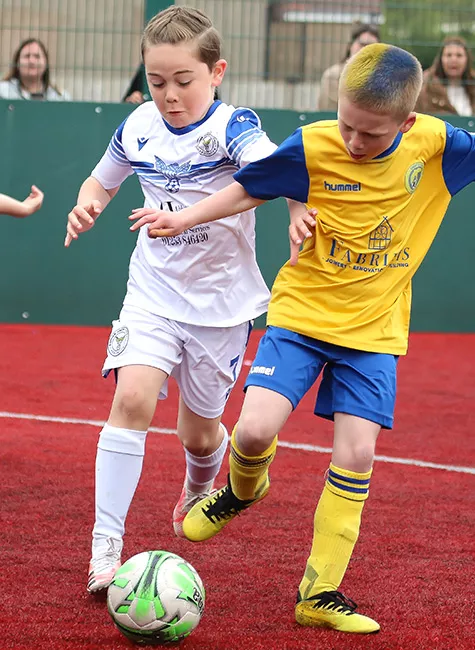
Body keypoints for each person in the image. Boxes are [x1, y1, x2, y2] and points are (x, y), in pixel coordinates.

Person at [129, 42, 475, 635]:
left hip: (375, 330)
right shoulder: (315, 145)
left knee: (356, 454)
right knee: (257, 429)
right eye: (345, 124)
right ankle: (243, 489)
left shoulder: (441, 147)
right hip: (303, 313)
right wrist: (181, 218)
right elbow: (249, 188)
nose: (352, 142)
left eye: (369, 134)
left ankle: (320, 593)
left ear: (407, 123)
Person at [64, 5, 303, 595]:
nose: (169, 94)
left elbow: (272, 179)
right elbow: (103, 177)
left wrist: (293, 214)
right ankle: (104, 551)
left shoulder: (234, 126)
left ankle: (201, 482)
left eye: (183, 80)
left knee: (199, 435)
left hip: (221, 308)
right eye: (157, 81)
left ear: (216, 71)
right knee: (133, 399)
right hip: (152, 292)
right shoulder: (139, 124)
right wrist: (88, 202)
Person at [317, 23, 380, 111]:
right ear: (351, 45)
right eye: (362, 44)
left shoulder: (382, 77)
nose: (366, 49)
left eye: (372, 47)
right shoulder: (333, 75)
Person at [416, 35, 475, 116]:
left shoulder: (472, 86)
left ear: (467, 59)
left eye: (459, 55)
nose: (453, 59)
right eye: (448, 55)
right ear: (441, 59)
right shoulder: (425, 87)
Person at [0, 38, 71, 101]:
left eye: (37, 56)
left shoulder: (60, 98)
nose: (32, 61)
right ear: (17, 63)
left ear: (46, 63)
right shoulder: (2, 93)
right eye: (27, 56)